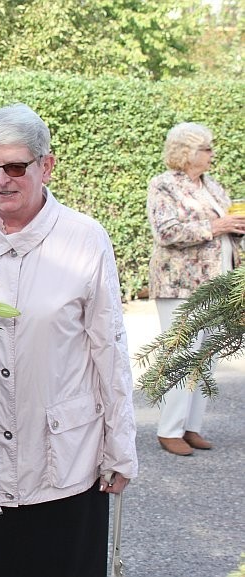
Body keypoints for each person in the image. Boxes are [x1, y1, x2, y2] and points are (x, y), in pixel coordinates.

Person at [0, 104, 138, 577]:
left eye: (16, 167)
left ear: (46, 166)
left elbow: (109, 350)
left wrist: (120, 448)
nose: (1, 181)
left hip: (64, 467)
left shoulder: (84, 239)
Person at [147, 122, 245, 456]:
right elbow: (166, 231)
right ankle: (169, 430)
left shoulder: (212, 185)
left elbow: (226, 227)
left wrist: (235, 228)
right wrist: (217, 226)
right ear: (187, 152)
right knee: (182, 354)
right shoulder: (163, 185)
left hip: (219, 284)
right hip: (180, 285)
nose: (212, 154)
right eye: (207, 148)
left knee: (208, 356)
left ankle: (191, 427)